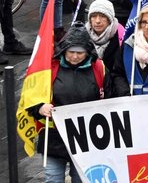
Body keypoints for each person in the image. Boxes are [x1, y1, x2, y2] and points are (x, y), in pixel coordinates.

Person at [30, 27, 111, 183]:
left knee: (81, 179)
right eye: (70, 52)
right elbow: (31, 97)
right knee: (53, 179)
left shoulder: (100, 69)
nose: (74, 56)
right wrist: (39, 108)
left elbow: (110, 98)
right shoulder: (49, 69)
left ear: (87, 52)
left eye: (79, 53)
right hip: (54, 137)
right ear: (64, 50)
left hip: (87, 138)